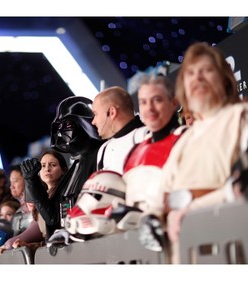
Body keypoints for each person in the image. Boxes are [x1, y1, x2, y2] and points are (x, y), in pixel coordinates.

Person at [158, 42, 247, 263]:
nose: (197, 78)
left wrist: (191, 208)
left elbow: (241, 187)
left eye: (207, 70)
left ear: (225, 79)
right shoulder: (183, 140)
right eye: (190, 73)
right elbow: (162, 197)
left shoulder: (241, 118)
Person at [21, 96, 104, 239]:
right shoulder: (76, 168)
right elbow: (53, 218)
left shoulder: (101, 154)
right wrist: (31, 181)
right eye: (59, 126)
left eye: (68, 125)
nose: (61, 132)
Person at [122, 74, 185, 216]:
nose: (149, 108)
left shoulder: (187, 140)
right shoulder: (133, 152)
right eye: (143, 102)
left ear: (174, 103)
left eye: (157, 100)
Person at [0, 150, 68, 255]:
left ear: (63, 170)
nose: (47, 169)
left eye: (53, 165)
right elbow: (45, 239)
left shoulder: (66, 195)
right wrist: (28, 245)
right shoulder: (39, 198)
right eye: (43, 166)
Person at [91, 86, 147, 173]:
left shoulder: (147, 136)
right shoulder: (103, 150)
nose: (93, 122)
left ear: (112, 112)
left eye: (96, 114)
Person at [9, 165, 33, 235]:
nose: (11, 186)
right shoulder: (18, 211)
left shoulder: (34, 205)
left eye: (15, 181)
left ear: (26, 179)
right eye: (11, 182)